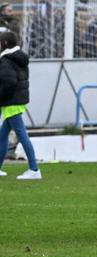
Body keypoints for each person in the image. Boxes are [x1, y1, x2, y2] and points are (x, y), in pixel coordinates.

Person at [0, 31, 40, 180]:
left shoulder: (6, 60)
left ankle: (34, 169)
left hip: (11, 103)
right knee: (2, 136)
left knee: (22, 136)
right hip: (16, 102)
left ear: (4, 44)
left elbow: (9, 82)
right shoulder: (18, 58)